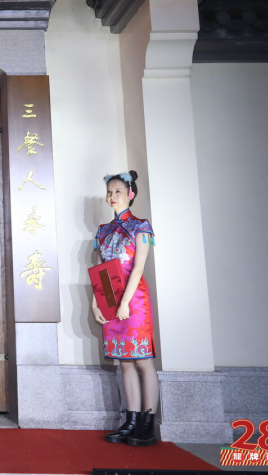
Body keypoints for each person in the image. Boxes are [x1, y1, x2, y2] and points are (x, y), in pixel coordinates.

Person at [91, 170, 159, 447]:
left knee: (143, 361)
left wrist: (125, 303)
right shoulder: (103, 231)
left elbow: (139, 267)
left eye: (118, 191)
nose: (112, 196)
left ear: (130, 194)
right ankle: (130, 421)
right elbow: (101, 270)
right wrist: (96, 302)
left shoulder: (141, 226)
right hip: (110, 300)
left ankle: (147, 424)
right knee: (125, 362)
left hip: (134, 301)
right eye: (109, 192)